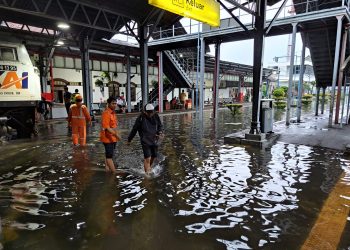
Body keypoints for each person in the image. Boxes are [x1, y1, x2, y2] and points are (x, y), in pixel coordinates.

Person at [127, 103, 164, 174]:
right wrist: (129, 139)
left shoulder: (155, 115)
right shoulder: (140, 118)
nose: (150, 114)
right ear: (145, 111)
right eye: (148, 113)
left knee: (153, 156)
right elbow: (134, 129)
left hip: (154, 140)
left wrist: (160, 132)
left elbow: (160, 126)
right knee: (147, 158)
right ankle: (147, 175)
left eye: (151, 112)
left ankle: (148, 168)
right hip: (145, 141)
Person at [100, 97, 119, 172]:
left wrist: (116, 134)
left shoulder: (113, 113)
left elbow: (114, 125)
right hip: (107, 138)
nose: (115, 105)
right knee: (109, 156)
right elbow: (107, 127)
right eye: (113, 103)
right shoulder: (106, 113)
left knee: (108, 153)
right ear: (108, 104)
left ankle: (107, 168)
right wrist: (117, 135)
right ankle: (114, 172)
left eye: (115, 103)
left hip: (113, 137)